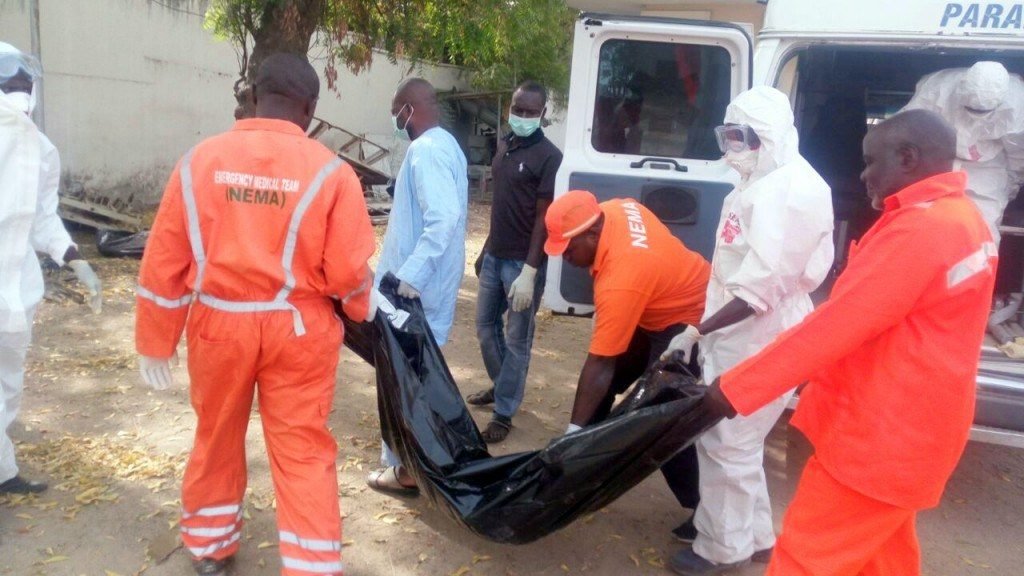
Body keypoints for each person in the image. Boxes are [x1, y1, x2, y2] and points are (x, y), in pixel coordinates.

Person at [701, 109, 996, 575]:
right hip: (916, 432)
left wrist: (732, 389)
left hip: (880, 437)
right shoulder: (964, 219)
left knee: (803, 559)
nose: (862, 176)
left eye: (870, 162)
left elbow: (836, 327)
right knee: (883, 560)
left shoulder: (922, 230)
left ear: (908, 157)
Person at [135, 53, 376, 576]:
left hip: (219, 325)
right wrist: (361, 305)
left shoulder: (199, 161)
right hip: (299, 329)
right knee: (303, 447)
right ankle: (312, 565)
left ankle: (212, 548)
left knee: (216, 434)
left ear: (251, 95)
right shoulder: (333, 173)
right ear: (310, 108)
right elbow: (347, 271)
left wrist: (156, 340)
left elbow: (165, 259)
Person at [663, 86, 835, 575]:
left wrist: (697, 330)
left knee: (727, 441)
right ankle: (755, 537)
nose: (731, 148)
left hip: (762, 332)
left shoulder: (791, 191)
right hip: (741, 334)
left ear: (768, 137)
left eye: (740, 138)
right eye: (728, 135)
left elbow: (761, 288)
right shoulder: (761, 182)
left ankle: (721, 550)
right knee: (740, 440)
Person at [544, 189, 710, 517]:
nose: (565, 258)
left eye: (569, 249)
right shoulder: (614, 208)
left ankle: (705, 512)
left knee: (662, 419)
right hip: (653, 303)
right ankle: (579, 465)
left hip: (690, 320)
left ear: (592, 232)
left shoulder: (622, 279)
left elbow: (600, 363)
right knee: (605, 386)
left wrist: (571, 431)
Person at [0, 42, 102, 496]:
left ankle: (3, 472)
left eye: (24, 83)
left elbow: (43, 216)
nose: (19, 90)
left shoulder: (41, 150)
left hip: (17, 287)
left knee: (8, 382)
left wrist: (75, 259)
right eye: (8, 83)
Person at [366, 77, 468, 495]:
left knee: (403, 376)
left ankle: (405, 468)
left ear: (409, 108)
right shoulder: (448, 146)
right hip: (427, 286)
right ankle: (412, 460)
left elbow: (441, 217)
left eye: (396, 112)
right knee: (417, 373)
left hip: (412, 290)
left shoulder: (425, 150)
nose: (395, 120)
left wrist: (411, 276)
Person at [466, 81, 562, 443]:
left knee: (517, 339)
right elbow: (502, 205)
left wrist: (531, 271)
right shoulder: (504, 144)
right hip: (494, 256)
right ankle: (501, 385)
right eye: (518, 109)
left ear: (542, 114)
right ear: (510, 107)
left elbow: (544, 218)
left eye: (530, 112)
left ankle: (503, 412)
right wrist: (484, 250)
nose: (522, 117)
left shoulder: (550, 157)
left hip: (523, 264)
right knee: (484, 327)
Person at [903, 61, 1024, 245]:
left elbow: (1018, 153)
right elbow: (907, 131)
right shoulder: (937, 88)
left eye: (982, 112)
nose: (975, 116)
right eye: (971, 108)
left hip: (988, 166)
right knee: (922, 219)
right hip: (938, 158)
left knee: (983, 227)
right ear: (961, 88)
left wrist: (1010, 186)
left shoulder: (1019, 103)